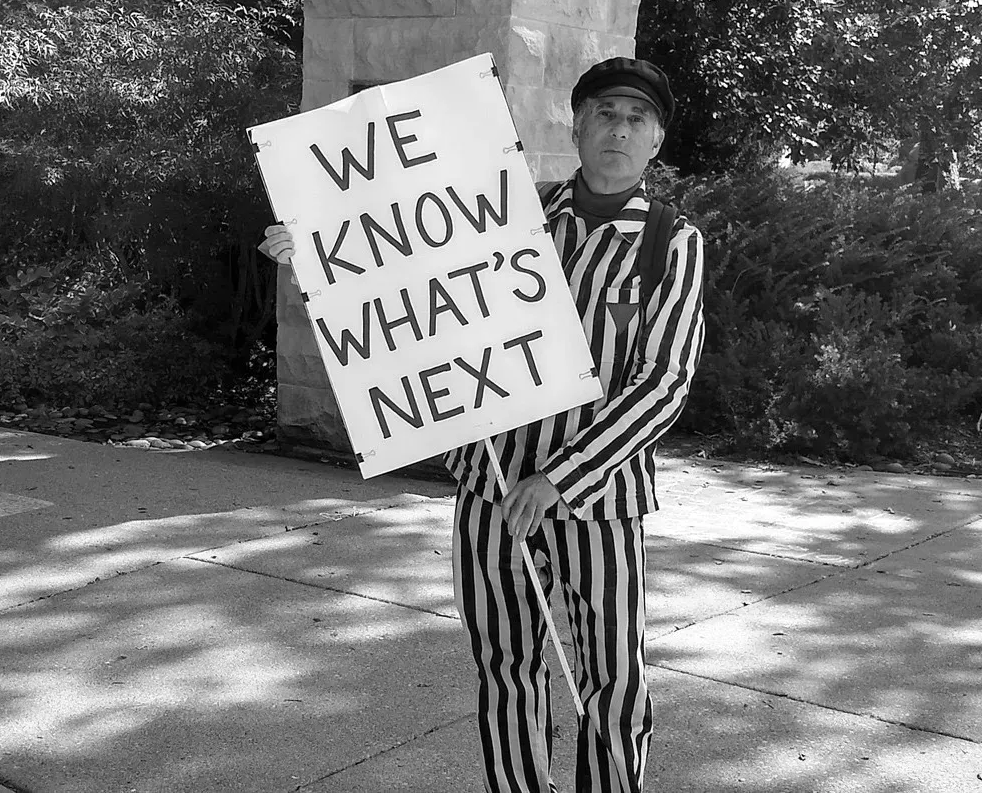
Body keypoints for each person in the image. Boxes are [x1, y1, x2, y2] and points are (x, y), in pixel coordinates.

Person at [259, 57, 706, 793]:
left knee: (613, 676)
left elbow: (663, 384)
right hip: (492, 484)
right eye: (603, 112)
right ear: (577, 123)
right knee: (506, 667)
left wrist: (558, 478)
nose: (617, 129)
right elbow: (411, 281)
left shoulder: (671, 242)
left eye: (635, 118)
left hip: (600, 500)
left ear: (655, 140)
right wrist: (319, 259)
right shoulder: (512, 212)